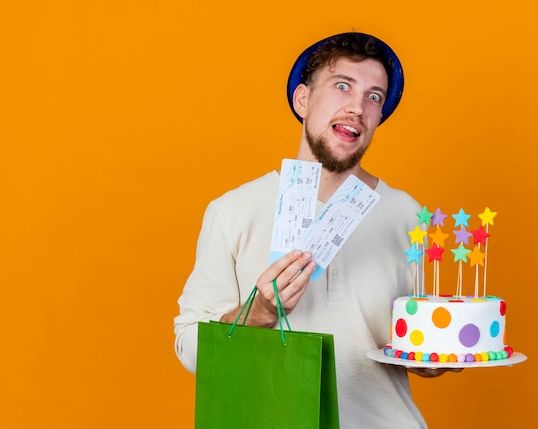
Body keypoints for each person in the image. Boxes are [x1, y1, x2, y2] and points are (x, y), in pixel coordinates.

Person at [174, 32, 460, 428]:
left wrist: (437, 358)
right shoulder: (232, 211)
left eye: (374, 96)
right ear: (303, 100)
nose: (357, 107)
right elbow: (190, 350)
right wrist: (257, 314)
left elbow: (415, 344)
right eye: (343, 86)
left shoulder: (407, 216)